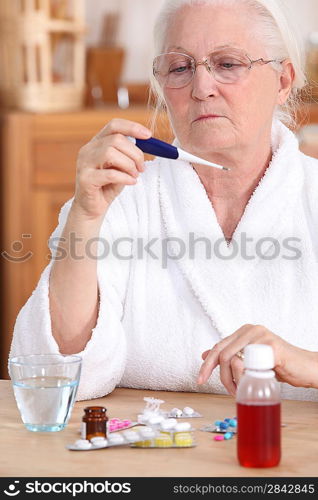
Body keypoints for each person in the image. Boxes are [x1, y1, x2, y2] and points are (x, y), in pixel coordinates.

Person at [10, 0, 318, 401]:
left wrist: (308, 364)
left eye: (227, 63)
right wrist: (85, 219)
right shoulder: (119, 201)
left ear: (283, 81)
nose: (201, 87)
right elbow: (53, 377)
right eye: (179, 67)